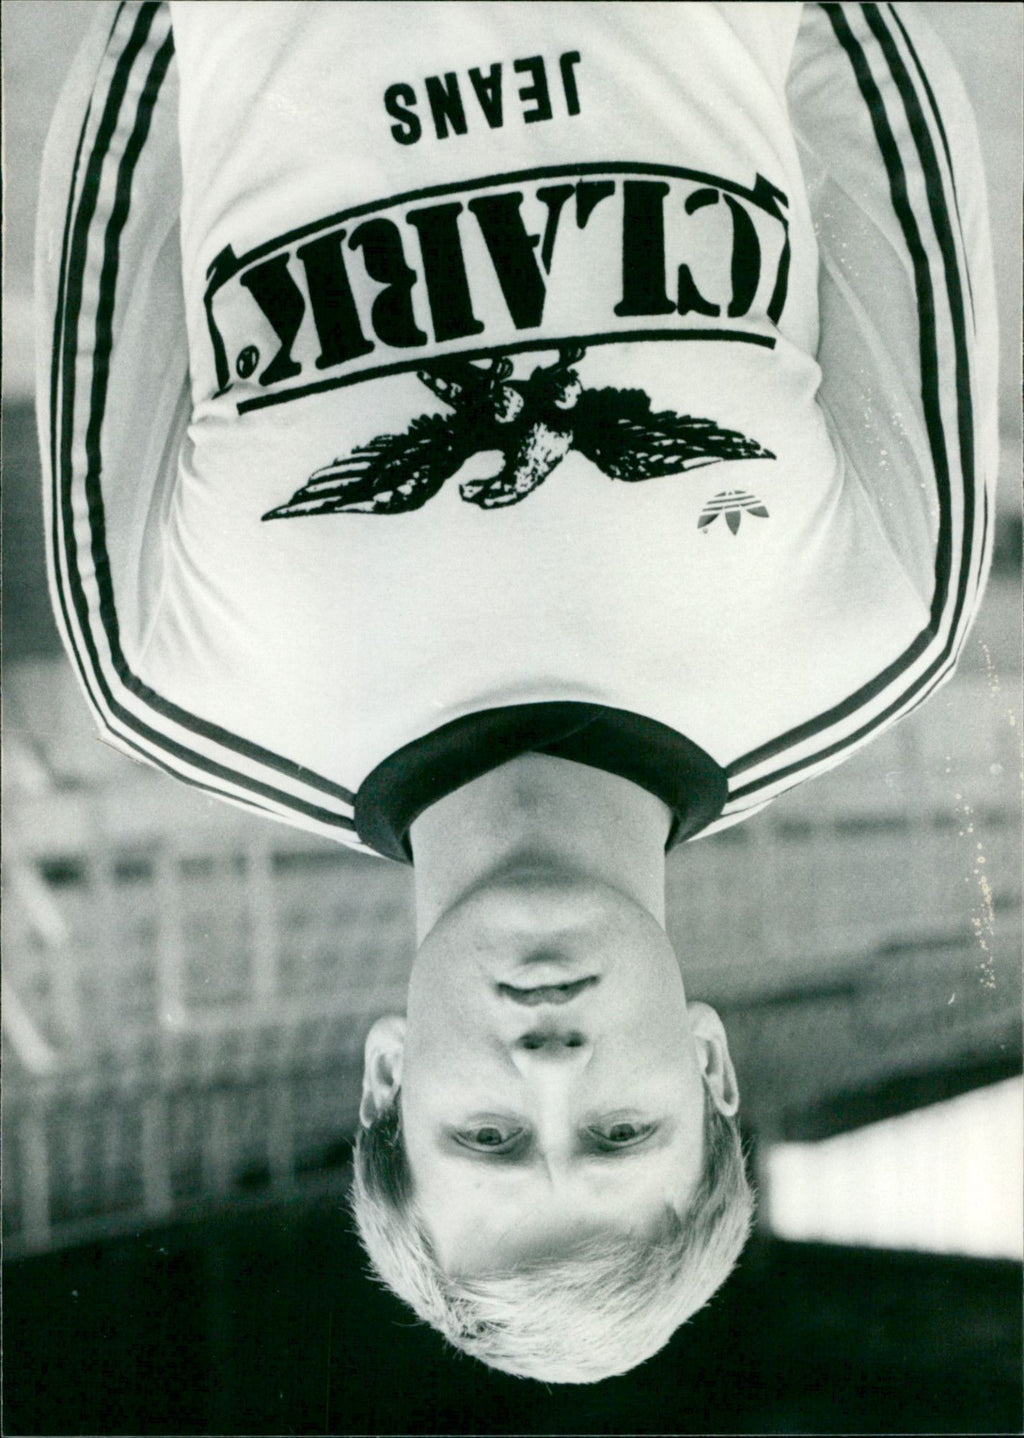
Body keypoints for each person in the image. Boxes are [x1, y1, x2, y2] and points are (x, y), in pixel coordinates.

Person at [37, 0, 997, 1383]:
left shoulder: (167, 673)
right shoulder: (880, 622)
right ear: (713, 1074)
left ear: (386, 1086)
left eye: (487, 1136)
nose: (549, 1067)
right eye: (620, 1132)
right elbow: (877, 96)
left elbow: (125, 137)